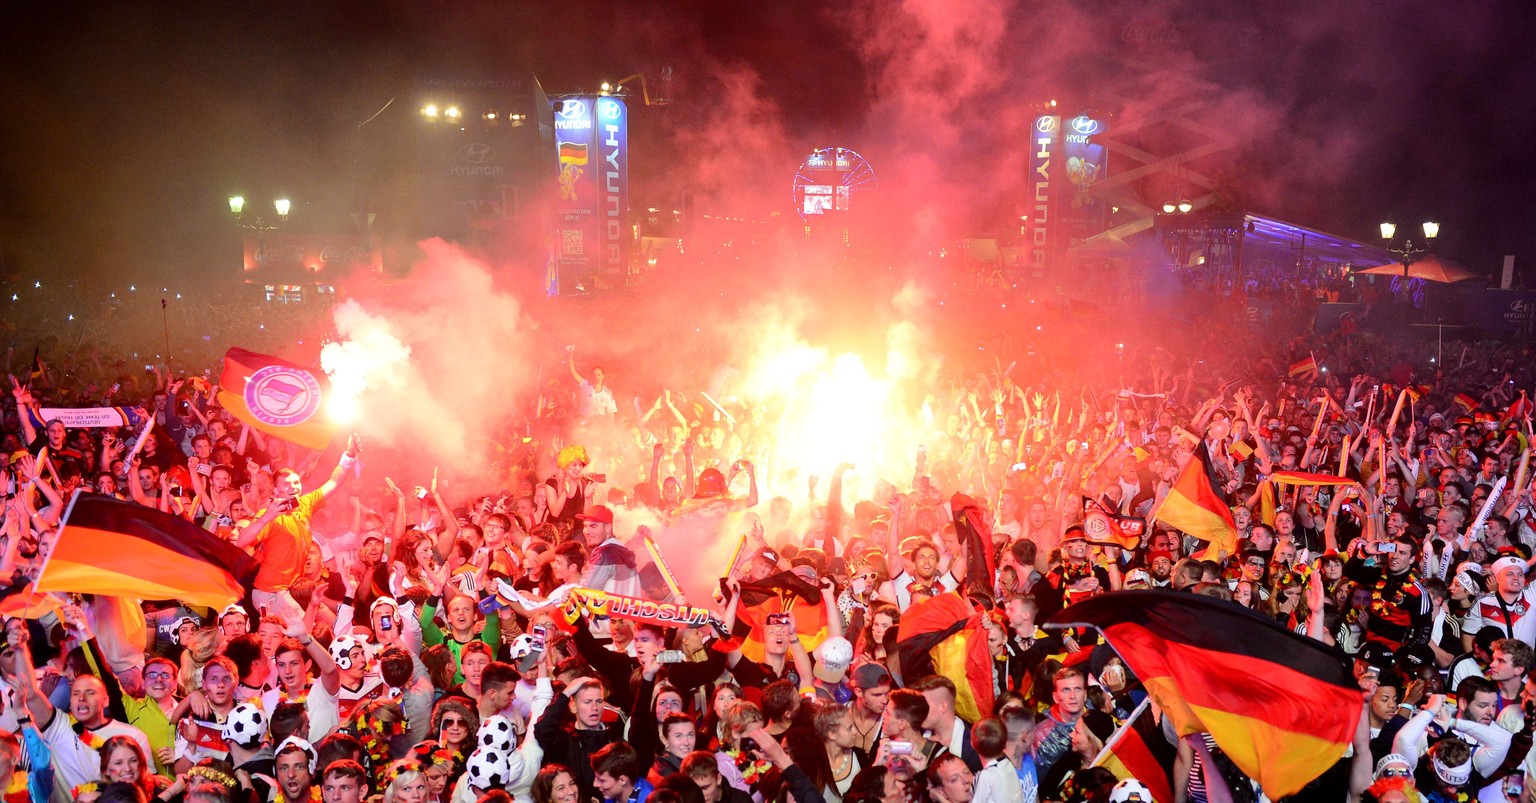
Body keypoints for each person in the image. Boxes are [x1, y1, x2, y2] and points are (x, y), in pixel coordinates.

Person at [238, 435, 361, 622]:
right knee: (304, 631)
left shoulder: (305, 504)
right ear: (276, 490)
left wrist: (349, 455)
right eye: (286, 484)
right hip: (271, 593)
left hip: (295, 589)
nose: (293, 487)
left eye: (296, 482)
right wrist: (266, 518)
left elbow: (334, 482)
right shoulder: (270, 514)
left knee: (331, 625)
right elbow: (242, 540)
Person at [1030, 668, 1085, 783]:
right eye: (1066, 690)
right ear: (1055, 697)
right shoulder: (1042, 734)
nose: (1073, 696)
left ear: (1085, 694)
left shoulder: (1098, 721)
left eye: (1077, 689)